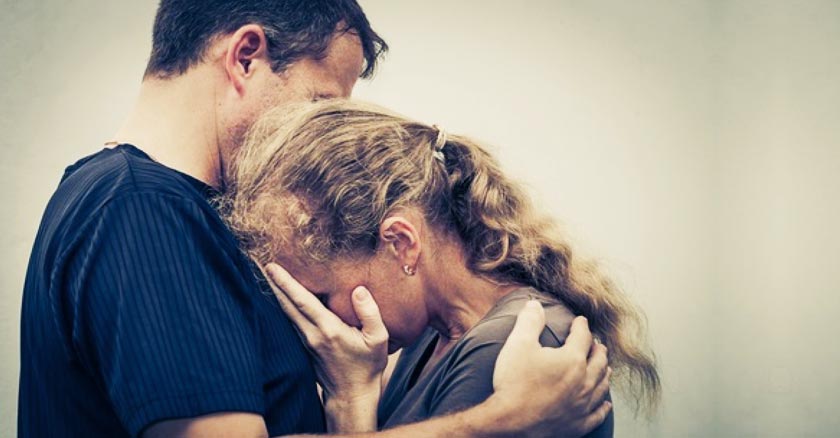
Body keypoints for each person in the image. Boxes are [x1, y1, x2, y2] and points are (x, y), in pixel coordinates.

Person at [18, 1, 611, 437]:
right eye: (321, 103)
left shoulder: (163, 209)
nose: (319, 134)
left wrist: (353, 398)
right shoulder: (143, 212)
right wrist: (505, 420)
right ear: (246, 56)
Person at [222, 100, 662, 434]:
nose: (320, 322)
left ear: (402, 243)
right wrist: (352, 394)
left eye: (321, 297)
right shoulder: (428, 337)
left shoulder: (516, 346)